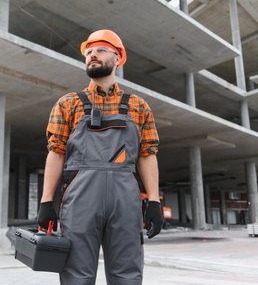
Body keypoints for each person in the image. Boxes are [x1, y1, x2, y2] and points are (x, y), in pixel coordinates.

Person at [37, 29, 163, 285]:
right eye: (88, 52)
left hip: (125, 201)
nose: (92, 55)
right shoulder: (68, 103)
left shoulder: (139, 106)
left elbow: (147, 155)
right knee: (75, 274)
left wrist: (153, 201)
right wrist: (46, 202)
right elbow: (56, 152)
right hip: (80, 200)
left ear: (118, 58)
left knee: (127, 274)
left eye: (101, 50)